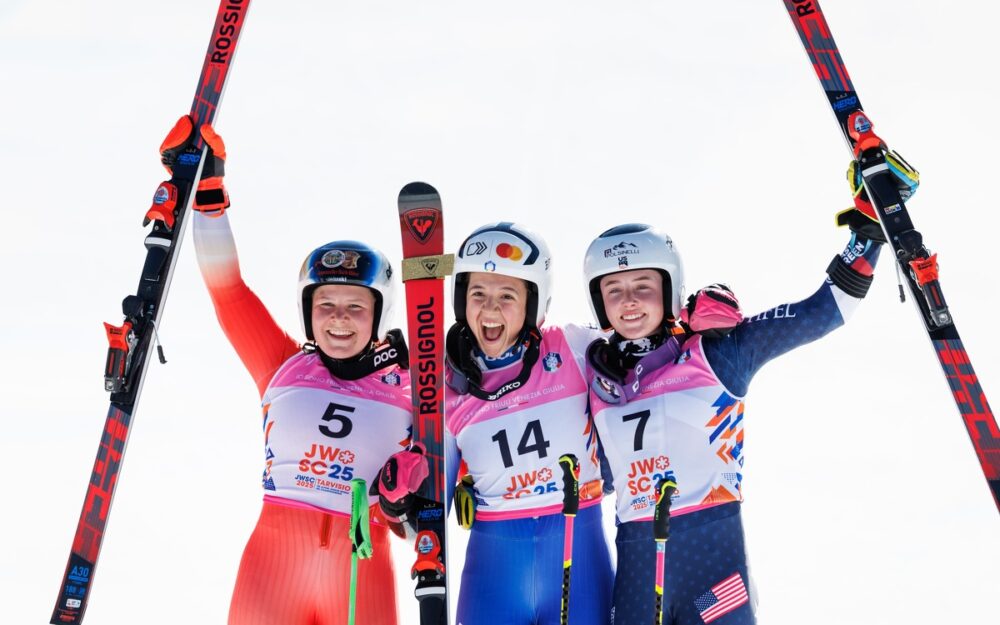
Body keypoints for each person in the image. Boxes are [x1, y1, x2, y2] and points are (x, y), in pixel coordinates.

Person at [580, 161, 917, 625]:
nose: (629, 301)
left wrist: (871, 227)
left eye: (643, 285)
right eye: (613, 289)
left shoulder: (718, 353)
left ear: (671, 288)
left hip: (713, 567)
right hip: (636, 567)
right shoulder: (598, 377)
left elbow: (825, 310)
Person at [160, 116, 416, 625]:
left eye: (355, 307)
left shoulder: (414, 386)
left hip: (362, 570)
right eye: (325, 304)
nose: (339, 319)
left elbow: (419, 524)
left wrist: (401, 505)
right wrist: (208, 198)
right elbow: (228, 292)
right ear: (307, 310)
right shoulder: (282, 365)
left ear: (379, 314)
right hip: (272, 567)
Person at [444, 223, 614, 625]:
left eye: (507, 296)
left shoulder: (574, 348)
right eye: (478, 294)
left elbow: (645, 343)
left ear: (533, 303)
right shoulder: (446, 385)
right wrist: (404, 503)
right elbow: (424, 524)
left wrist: (697, 328)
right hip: (493, 573)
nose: (489, 309)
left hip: (579, 554)